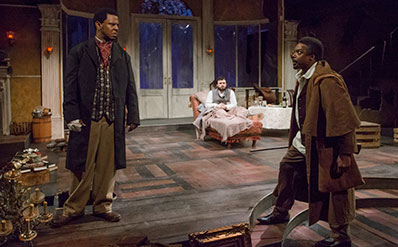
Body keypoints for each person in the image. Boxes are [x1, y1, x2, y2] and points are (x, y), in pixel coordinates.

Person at [257, 37, 361, 247]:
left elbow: (344, 119)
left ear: (312, 57)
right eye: (294, 52)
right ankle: (281, 211)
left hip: (325, 147)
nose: (292, 55)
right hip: (302, 144)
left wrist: (346, 153)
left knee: (336, 188)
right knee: (287, 168)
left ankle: (341, 238)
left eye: (298, 52)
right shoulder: (304, 78)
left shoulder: (328, 80)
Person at [52, 8, 140, 227]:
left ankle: (103, 206)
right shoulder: (80, 52)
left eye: (118, 25)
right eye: (112, 24)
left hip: (112, 118)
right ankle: (74, 208)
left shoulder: (122, 54)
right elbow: (70, 85)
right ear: (98, 25)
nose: (116, 28)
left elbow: (130, 86)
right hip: (86, 119)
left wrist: (133, 115)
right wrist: (71, 115)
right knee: (82, 165)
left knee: (107, 166)